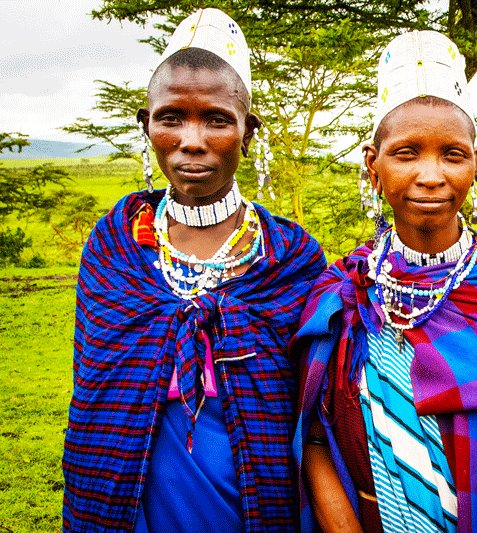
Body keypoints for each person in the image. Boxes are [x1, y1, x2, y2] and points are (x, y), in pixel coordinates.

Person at [292, 30, 477, 533]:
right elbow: (315, 439)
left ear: (476, 166)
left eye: (452, 154)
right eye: (406, 153)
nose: (431, 175)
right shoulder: (342, 294)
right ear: (371, 166)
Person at [62, 9, 325, 531]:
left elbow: (308, 409)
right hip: (126, 495)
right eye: (171, 118)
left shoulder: (291, 257)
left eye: (217, 119)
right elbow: (94, 393)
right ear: (147, 126)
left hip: (253, 497)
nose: (192, 140)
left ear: (248, 131)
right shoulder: (114, 243)